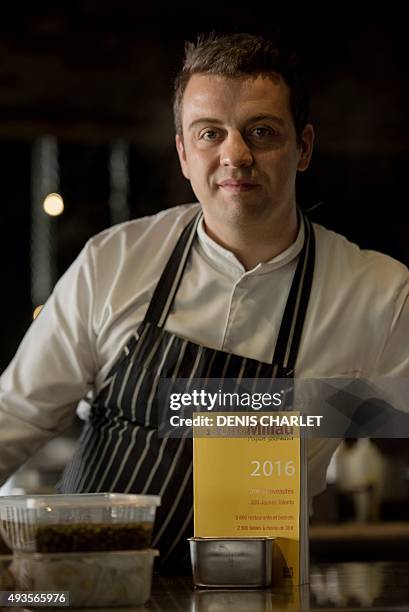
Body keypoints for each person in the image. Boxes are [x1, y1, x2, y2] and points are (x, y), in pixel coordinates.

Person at [0, 32, 408, 567]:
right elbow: (15, 415)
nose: (235, 155)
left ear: (303, 147)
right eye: (210, 133)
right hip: (89, 589)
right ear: (183, 153)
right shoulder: (116, 259)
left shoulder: (376, 294)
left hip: (259, 598)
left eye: (262, 132)